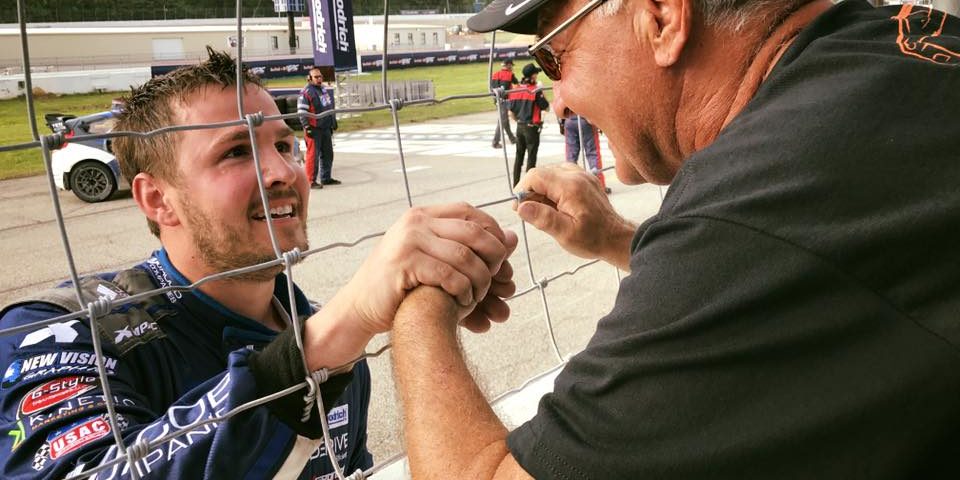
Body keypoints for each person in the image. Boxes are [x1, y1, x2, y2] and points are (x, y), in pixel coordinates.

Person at [390, 0, 960, 479]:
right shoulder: (888, 45)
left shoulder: (752, 203)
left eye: (552, 56)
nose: (557, 99)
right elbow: (814, 265)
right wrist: (617, 240)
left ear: (662, 18)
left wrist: (419, 298)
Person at [0, 49, 516, 479]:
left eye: (286, 145)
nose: (284, 172)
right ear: (158, 200)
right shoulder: (62, 329)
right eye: (235, 152)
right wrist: (334, 335)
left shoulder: (318, 334)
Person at [508, 63, 550, 187]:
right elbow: (546, 107)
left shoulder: (517, 89)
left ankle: (516, 185)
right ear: (533, 76)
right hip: (531, 128)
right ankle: (527, 187)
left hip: (520, 127)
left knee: (518, 158)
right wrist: (541, 90)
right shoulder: (535, 91)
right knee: (531, 159)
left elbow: (511, 112)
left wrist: (519, 121)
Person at [298, 67, 339, 188]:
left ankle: (326, 178)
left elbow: (328, 106)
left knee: (328, 154)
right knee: (313, 156)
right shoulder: (305, 92)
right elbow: (301, 112)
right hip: (313, 129)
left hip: (325, 127)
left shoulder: (323, 89)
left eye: (320, 76)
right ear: (309, 78)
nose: (319, 79)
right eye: (316, 77)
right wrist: (306, 126)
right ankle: (310, 181)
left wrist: (333, 121)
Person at [561, 113, 610, 194]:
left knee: (571, 156)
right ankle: (599, 185)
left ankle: (571, 186)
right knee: (593, 153)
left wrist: (562, 122)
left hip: (569, 119)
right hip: (585, 119)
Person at [490, 59, 519, 148]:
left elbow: (492, 88)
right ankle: (495, 142)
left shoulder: (495, 74)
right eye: (511, 66)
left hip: (497, 100)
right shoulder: (510, 75)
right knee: (502, 121)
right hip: (505, 100)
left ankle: (512, 138)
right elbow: (517, 84)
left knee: (505, 121)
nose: (512, 68)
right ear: (508, 65)